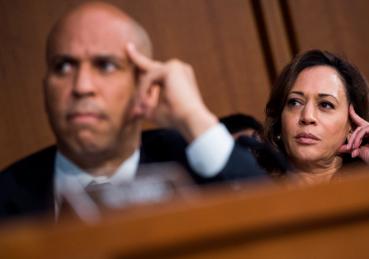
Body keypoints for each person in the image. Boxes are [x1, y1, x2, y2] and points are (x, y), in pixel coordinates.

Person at [0, 2, 266, 221]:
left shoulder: (197, 168)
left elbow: (273, 217)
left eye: (105, 65)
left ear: (144, 83)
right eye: (64, 67)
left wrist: (194, 117)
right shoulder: (7, 195)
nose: (81, 86)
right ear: (46, 87)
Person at [264, 50, 369, 185]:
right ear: (280, 118)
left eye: (326, 105)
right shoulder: (251, 187)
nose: (307, 117)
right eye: (295, 102)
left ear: (353, 125)